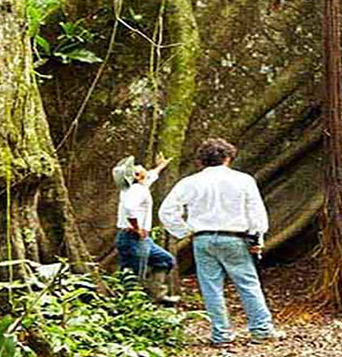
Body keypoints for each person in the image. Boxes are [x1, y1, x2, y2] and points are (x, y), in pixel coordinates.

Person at [159, 138, 283, 345]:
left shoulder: (189, 182)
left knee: (211, 287)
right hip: (235, 238)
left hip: (202, 239)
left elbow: (167, 211)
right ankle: (261, 330)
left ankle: (221, 335)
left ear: (202, 160)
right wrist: (258, 236)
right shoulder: (243, 180)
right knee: (248, 284)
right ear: (228, 157)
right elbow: (256, 212)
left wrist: (184, 231)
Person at [112, 154, 177, 303]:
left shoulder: (139, 186)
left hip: (142, 239)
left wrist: (161, 166)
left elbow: (150, 176)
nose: (141, 168)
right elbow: (130, 209)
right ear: (136, 176)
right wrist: (137, 228)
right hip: (133, 237)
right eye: (138, 169)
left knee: (165, 260)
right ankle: (131, 307)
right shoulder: (136, 190)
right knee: (134, 276)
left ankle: (155, 294)